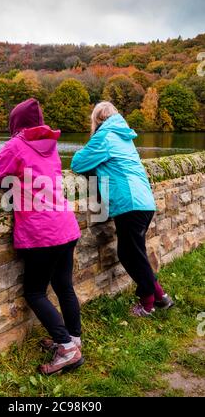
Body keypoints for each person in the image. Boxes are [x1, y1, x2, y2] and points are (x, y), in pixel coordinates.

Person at [0, 98, 84, 374]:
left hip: (42, 232)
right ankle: (74, 339)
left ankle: (66, 349)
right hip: (66, 226)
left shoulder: (16, 145)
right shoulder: (51, 146)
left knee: (34, 291)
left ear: (16, 125)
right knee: (64, 285)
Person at [71, 101, 174, 317]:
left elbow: (77, 163)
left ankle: (147, 304)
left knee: (129, 254)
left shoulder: (104, 137)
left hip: (129, 203)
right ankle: (160, 296)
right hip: (143, 201)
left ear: (97, 120)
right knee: (136, 253)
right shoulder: (124, 136)